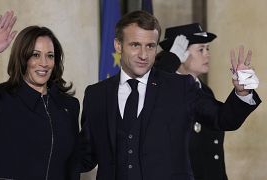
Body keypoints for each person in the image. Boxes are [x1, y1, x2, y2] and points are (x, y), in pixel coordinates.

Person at [78, 11, 261, 180]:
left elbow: (222, 118)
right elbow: (85, 156)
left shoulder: (180, 87)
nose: (143, 54)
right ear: (118, 45)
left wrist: (242, 93)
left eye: (150, 46)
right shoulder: (96, 94)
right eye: (135, 45)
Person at [0, 11, 80, 180]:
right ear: (22, 58)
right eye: (35, 55)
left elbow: (72, 166)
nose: (44, 63)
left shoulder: (68, 106)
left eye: (50, 56)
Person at [154, 23, 250, 180]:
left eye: (208, 49)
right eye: (201, 49)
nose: (207, 55)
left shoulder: (203, 90)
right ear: (180, 54)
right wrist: (170, 60)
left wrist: (242, 92)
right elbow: (151, 93)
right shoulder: (163, 90)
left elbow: (223, 119)